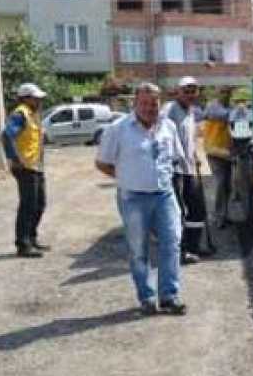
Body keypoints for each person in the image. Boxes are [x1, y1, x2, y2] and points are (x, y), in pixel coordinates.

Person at [95, 83, 187, 315]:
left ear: (159, 104)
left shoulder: (168, 126)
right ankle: (147, 297)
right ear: (135, 103)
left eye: (154, 103)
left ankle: (169, 295)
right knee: (138, 249)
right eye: (144, 103)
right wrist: (126, 177)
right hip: (133, 198)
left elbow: (174, 157)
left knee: (172, 243)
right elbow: (102, 162)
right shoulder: (118, 129)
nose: (149, 108)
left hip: (164, 194)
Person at [1, 83, 49, 258]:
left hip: (35, 166)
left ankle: (31, 238)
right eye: (36, 98)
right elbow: (6, 136)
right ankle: (23, 245)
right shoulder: (20, 114)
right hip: (25, 167)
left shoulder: (32, 114)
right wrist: (15, 159)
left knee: (39, 204)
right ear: (26, 99)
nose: (39, 101)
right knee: (28, 205)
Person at [163, 76, 206, 265]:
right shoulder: (169, 110)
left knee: (197, 208)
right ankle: (181, 249)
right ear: (178, 92)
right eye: (186, 91)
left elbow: (189, 137)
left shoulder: (191, 111)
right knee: (177, 211)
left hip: (188, 167)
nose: (190, 95)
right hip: (173, 170)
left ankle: (193, 247)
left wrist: (195, 155)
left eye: (193, 91)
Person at [202, 86, 234, 229]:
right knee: (220, 184)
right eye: (223, 92)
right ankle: (217, 217)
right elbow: (223, 115)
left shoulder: (229, 107)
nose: (225, 95)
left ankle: (224, 215)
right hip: (214, 151)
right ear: (218, 94)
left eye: (228, 93)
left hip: (226, 152)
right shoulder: (212, 106)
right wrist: (238, 112)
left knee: (227, 186)